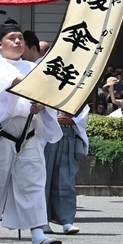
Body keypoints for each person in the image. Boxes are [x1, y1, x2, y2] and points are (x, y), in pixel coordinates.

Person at [0, 21, 63, 244]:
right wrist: (33, 88)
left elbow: (44, 96)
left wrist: (40, 106)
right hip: (2, 133)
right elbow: (8, 84)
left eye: (20, 38)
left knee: (32, 183)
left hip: (29, 132)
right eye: (12, 38)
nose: (18, 41)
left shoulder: (32, 68)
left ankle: (38, 233)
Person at [43, 98, 89, 236]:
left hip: (68, 136)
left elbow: (84, 111)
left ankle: (67, 221)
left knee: (66, 181)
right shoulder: (47, 90)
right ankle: (42, 221)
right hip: (48, 137)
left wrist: (73, 121)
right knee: (43, 181)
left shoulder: (77, 91)